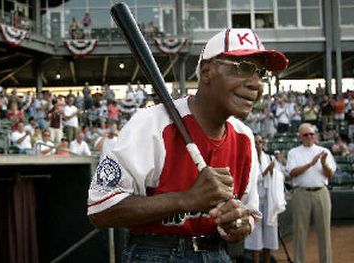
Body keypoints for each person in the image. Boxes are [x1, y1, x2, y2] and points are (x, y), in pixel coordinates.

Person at [87, 28, 288, 262]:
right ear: (207, 72)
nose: (256, 83)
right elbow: (100, 209)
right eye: (243, 68)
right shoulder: (151, 123)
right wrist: (185, 199)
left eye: (260, 73)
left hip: (218, 252)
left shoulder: (244, 137)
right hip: (154, 252)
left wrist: (238, 223)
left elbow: (248, 213)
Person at [286, 123, 336, 263]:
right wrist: (311, 164)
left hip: (321, 192)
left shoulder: (324, 151)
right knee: (299, 232)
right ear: (300, 137)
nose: (309, 137)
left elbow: (330, 174)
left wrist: (324, 163)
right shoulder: (294, 152)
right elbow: (292, 173)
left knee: (325, 231)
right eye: (305, 135)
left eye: (311, 134)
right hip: (301, 193)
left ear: (315, 135)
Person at [244, 135, 286, 263]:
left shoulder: (269, 158)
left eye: (260, 142)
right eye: (255, 142)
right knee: (255, 233)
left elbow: (281, 175)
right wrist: (265, 172)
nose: (258, 144)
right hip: (254, 200)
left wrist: (276, 167)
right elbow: (248, 179)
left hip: (269, 199)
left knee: (270, 231)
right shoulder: (248, 158)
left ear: (263, 144)